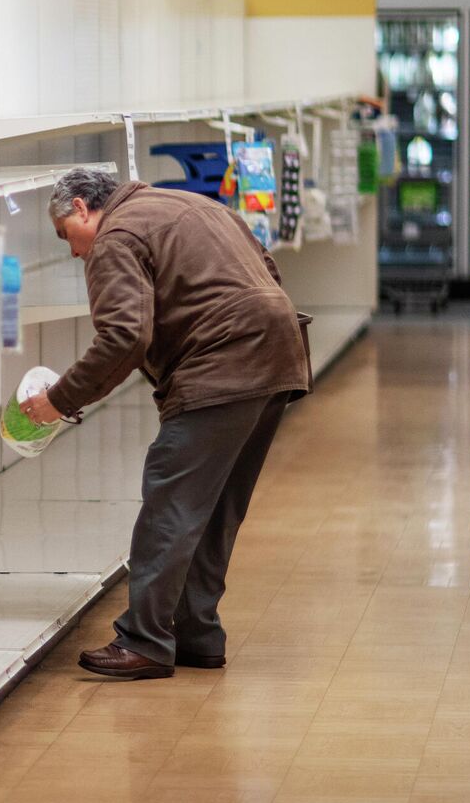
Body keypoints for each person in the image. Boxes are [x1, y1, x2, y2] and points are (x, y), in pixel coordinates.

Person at [20, 167, 312, 680]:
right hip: (279, 352)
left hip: (222, 366)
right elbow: (267, 270)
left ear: (84, 206)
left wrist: (58, 401)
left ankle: (145, 641)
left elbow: (123, 338)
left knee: (170, 503)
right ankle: (196, 634)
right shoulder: (195, 205)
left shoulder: (116, 237)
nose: (73, 251)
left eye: (67, 234)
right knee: (215, 509)